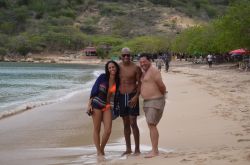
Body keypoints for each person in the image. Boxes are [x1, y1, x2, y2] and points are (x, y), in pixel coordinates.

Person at [87, 60, 120, 156]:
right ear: (107, 69)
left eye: (113, 67)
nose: (111, 69)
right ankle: (99, 151)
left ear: (116, 67)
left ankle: (101, 149)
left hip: (108, 106)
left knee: (108, 130)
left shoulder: (118, 81)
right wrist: (89, 105)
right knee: (97, 129)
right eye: (109, 68)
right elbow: (94, 90)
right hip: (97, 103)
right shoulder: (102, 77)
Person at [139, 53, 167, 158]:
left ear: (149, 61)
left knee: (152, 125)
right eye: (141, 62)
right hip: (148, 101)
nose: (142, 64)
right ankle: (154, 149)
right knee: (151, 125)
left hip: (155, 101)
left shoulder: (154, 70)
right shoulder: (145, 71)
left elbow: (162, 85)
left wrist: (162, 95)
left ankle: (155, 151)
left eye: (144, 61)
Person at [119, 47, 142, 155]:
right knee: (126, 124)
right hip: (122, 96)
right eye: (124, 55)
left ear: (131, 56)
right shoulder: (118, 67)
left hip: (132, 95)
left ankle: (137, 149)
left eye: (128, 55)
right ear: (121, 56)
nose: (126, 57)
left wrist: (136, 96)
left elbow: (140, 83)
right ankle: (128, 149)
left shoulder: (136, 68)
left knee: (133, 122)